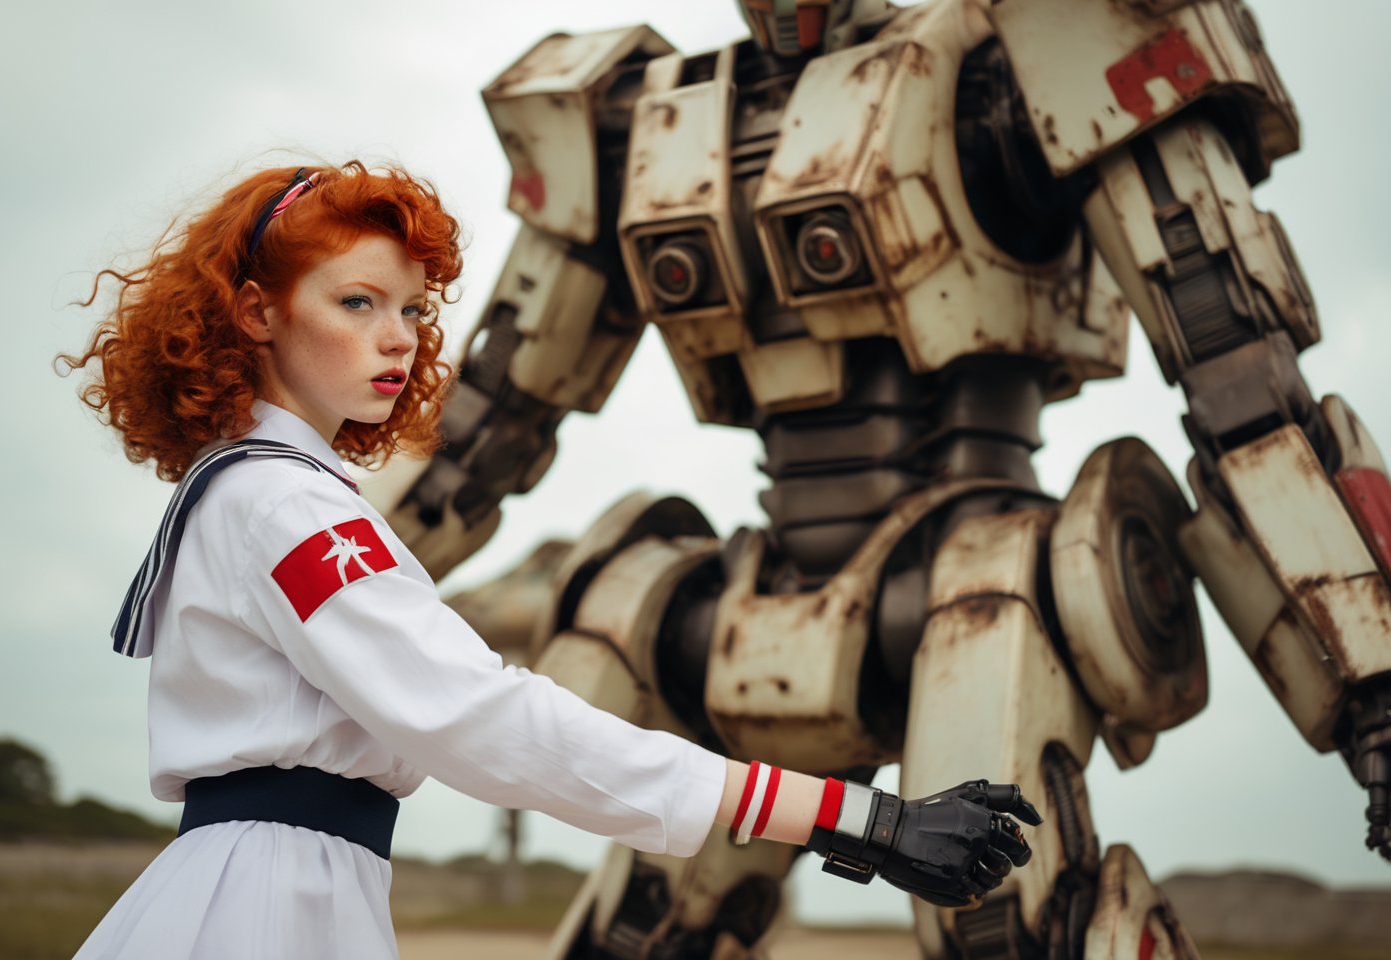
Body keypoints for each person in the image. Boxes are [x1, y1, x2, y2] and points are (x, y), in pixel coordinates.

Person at [60, 161, 1038, 959]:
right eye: (357, 301)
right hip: (268, 911)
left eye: (410, 308)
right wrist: (857, 818)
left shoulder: (261, 491)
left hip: (284, 889)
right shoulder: (282, 501)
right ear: (255, 313)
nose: (397, 338)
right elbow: (479, 716)